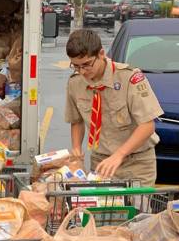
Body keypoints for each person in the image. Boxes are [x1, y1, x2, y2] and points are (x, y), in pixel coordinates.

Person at [65, 28, 163, 183]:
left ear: (101, 54)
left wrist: (119, 155)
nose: (82, 71)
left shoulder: (129, 78)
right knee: (100, 207)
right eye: (76, 66)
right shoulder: (75, 83)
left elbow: (147, 125)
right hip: (101, 163)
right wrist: (76, 147)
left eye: (86, 65)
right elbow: (76, 120)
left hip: (136, 163)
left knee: (135, 207)